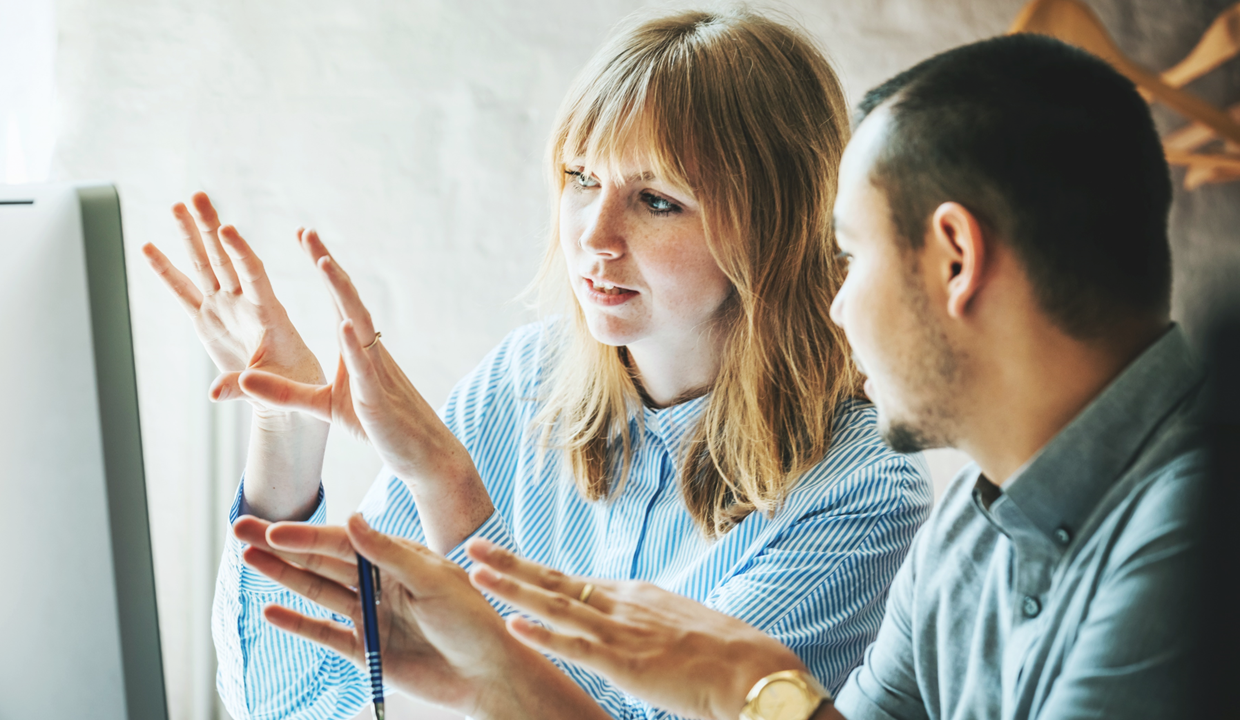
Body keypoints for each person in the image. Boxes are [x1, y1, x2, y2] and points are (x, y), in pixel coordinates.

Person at [232, 31, 1205, 720]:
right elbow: (293, 694)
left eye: (850, 255)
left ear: (953, 259)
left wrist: (740, 691)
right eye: (578, 179)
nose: (834, 303)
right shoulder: (981, 515)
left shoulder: (1194, 536)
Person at [142, 8, 932, 719]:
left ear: (775, 224)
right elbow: (291, 705)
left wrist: (449, 490)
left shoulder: (862, 485)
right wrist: (285, 428)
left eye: (657, 199)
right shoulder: (522, 382)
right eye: (581, 179)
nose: (593, 234)